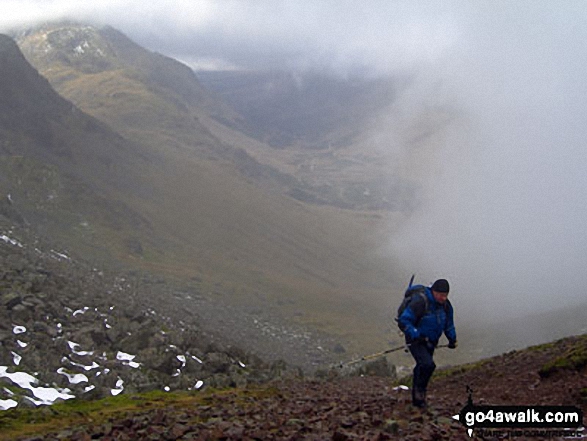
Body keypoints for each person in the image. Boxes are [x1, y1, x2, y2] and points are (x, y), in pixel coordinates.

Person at [398, 278, 457, 408]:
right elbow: (404, 320)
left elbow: (449, 324)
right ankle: (420, 395)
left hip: (431, 341)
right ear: (433, 291)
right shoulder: (421, 301)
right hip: (416, 340)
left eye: (446, 295)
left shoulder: (446, 306)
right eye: (441, 295)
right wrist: (415, 333)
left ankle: (418, 398)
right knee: (428, 365)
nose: (443, 298)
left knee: (423, 366)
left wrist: (452, 339)